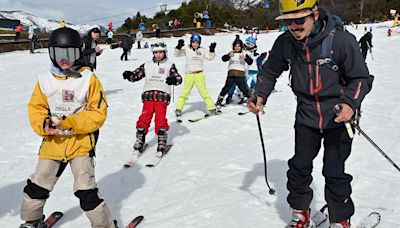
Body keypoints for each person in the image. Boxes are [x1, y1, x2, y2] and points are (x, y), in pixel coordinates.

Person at [247, 0, 374, 227]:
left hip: (338, 117)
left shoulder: (341, 41)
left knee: (334, 171)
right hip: (306, 116)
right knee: (299, 167)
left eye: (299, 20)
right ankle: (300, 214)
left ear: (314, 14)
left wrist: (350, 104)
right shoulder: (286, 43)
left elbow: (361, 78)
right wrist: (260, 93)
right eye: (288, 21)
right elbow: (270, 70)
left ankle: (341, 220)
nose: (294, 26)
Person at [19, 27, 115, 228]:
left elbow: (98, 113)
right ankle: (32, 220)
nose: (65, 59)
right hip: (53, 143)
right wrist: (43, 125)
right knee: (37, 186)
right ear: (51, 53)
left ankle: (104, 225)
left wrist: (69, 122)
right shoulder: (45, 80)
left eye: (70, 54)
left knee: (86, 191)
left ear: (78, 53)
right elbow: (36, 107)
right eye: (59, 54)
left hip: (80, 144)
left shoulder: (88, 79)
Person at [122, 41, 182, 158]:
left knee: (160, 119)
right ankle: (140, 139)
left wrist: (173, 80)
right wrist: (130, 75)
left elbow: (178, 78)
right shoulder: (147, 65)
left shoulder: (169, 65)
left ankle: (161, 139)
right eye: (156, 52)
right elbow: (137, 74)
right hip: (148, 97)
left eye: (161, 52)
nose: (158, 55)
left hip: (162, 97)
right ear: (153, 53)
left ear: (165, 52)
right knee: (144, 117)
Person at [174, 34, 219, 118]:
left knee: (204, 91)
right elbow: (177, 54)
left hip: (199, 74)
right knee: (185, 91)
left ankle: (212, 108)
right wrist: (178, 47)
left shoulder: (202, 50)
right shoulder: (187, 49)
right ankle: (178, 108)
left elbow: (210, 57)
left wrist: (212, 50)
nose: (195, 44)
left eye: (197, 42)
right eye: (193, 42)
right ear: (191, 42)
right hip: (189, 74)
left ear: (199, 43)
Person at [216, 39, 252, 107]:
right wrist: (229, 56)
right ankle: (219, 100)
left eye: (238, 46)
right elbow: (223, 59)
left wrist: (245, 58)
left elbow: (250, 62)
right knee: (226, 88)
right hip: (231, 75)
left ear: (241, 46)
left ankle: (251, 101)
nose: (237, 48)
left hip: (240, 75)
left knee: (244, 89)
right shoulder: (231, 53)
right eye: (235, 46)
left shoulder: (244, 53)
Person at [226, 36, 259, 104]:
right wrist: (237, 40)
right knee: (234, 83)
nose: (249, 46)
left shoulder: (254, 52)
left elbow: (253, 60)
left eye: (251, 44)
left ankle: (250, 94)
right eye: (248, 43)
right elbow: (235, 48)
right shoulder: (242, 50)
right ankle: (230, 95)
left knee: (250, 82)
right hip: (240, 69)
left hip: (250, 69)